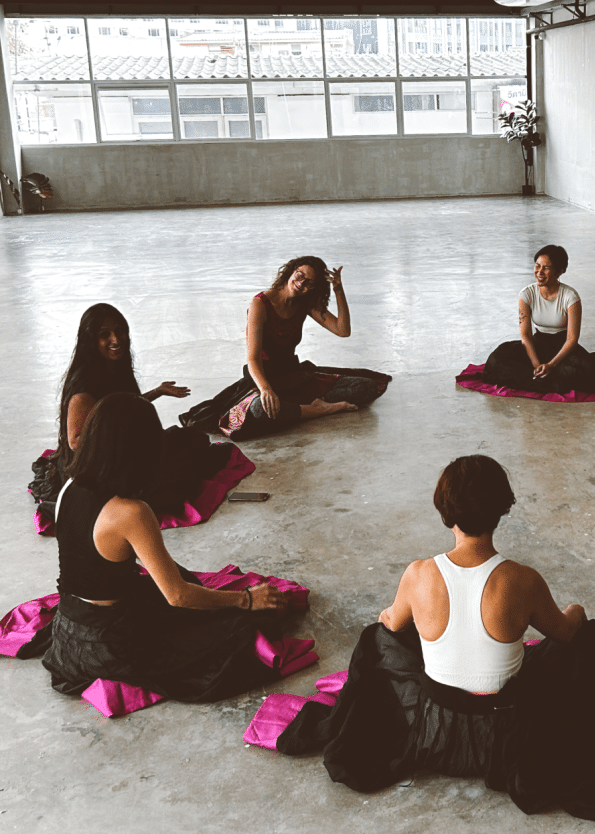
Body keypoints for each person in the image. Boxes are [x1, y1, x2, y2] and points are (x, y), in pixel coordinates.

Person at [268, 455, 595, 821]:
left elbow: (390, 624)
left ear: (444, 510)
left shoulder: (419, 574)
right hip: (506, 739)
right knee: (579, 639)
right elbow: (564, 634)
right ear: (502, 509)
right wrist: (577, 612)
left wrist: (400, 615)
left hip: (433, 730)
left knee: (378, 637)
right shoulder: (521, 580)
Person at [40, 392, 306, 702]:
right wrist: (245, 600)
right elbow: (177, 596)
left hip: (67, 632)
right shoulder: (132, 512)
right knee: (241, 627)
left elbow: (94, 562)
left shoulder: (69, 487)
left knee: (189, 592)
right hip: (108, 646)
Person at [28, 303, 229, 524]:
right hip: (98, 467)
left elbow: (122, 407)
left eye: (120, 331)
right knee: (171, 482)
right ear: (91, 341)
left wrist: (157, 392)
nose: (116, 340)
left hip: (124, 453)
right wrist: (122, 444)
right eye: (105, 335)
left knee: (194, 438)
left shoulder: (115, 367)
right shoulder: (83, 385)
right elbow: (76, 441)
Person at [180, 256, 390, 438]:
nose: (302, 284)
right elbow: (252, 359)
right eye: (300, 276)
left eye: (309, 283)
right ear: (290, 272)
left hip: (293, 375)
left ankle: (298, 409)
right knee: (260, 410)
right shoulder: (260, 304)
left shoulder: (304, 303)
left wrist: (338, 289)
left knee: (366, 387)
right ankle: (318, 410)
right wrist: (266, 390)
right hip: (262, 378)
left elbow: (342, 330)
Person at [478, 245, 595, 395]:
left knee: (585, 373)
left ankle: (540, 380)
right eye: (537, 266)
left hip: (564, 349)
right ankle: (542, 378)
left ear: (559, 271)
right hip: (537, 345)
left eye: (546, 268)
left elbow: (572, 339)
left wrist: (551, 365)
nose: (539, 272)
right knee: (497, 360)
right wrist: (536, 365)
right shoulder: (526, 294)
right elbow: (525, 335)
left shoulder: (570, 297)